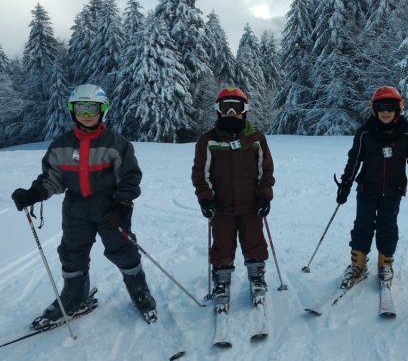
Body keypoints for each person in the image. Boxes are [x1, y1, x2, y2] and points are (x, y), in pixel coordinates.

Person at [11, 84, 157, 327]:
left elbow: (130, 177)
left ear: (103, 110)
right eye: (81, 108)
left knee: (122, 248)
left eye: (92, 108)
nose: (86, 114)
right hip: (75, 208)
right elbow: (52, 178)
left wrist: (122, 205)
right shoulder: (61, 146)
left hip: (109, 208)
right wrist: (34, 194)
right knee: (72, 253)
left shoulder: (116, 143)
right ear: (72, 111)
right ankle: (74, 296)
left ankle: (139, 289)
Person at [336, 86, 408, 289]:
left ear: (398, 108)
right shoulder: (364, 134)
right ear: (374, 109)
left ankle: (385, 264)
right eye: (381, 107)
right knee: (362, 226)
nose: (386, 112)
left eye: (390, 107)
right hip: (366, 189)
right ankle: (358, 265)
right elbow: (354, 160)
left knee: (387, 227)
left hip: (393, 191)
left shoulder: (406, 135)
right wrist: (345, 184)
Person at [192, 87, 275, 312]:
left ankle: (257, 275)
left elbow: (265, 170)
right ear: (218, 111)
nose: (230, 112)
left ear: (244, 110)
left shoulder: (255, 138)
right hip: (221, 208)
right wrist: (205, 199)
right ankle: (222, 280)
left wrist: (265, 196)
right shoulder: (208, 141)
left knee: (254, 240)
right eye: (225, 107)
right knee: (222, 244)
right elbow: (201, 172)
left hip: (250, 205)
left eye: (236, 107)